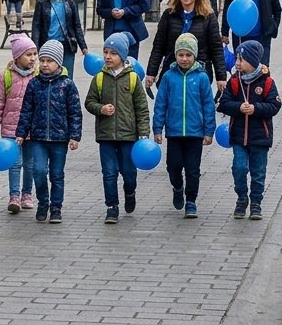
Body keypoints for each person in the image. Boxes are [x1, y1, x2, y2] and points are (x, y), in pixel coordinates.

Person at [84, 32, 151, 224]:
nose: (107, 56)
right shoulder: (99, 78)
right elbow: (89, 102)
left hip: (128, 136)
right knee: (109, 172)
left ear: (122, 56)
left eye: (113, 53)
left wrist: (143, 132)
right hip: (105, 135)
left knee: (129, 172)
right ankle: (112, 207)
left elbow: (142, 108)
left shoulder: (132, 78)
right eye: (105, 52)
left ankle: (130, 191)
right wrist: (100, 109)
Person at [14, 40, 81, 225]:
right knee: (39, 171)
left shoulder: (67, 85)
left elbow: (75, 112)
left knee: (57, 174)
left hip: (60, 139)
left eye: (49, 61)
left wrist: (75, 136)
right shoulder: (34, 84)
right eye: (42, 60)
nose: (44, 64)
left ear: (58, 63)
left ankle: (56, 207)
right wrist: (21, 133)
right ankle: (43, 203)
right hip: (38, 138)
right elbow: (26, 110)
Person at [152, 33, 216, 219]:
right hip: (174, 131)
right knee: (173, 166)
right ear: (175, 55)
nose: (185, 59)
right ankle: (177, 187)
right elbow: (161, 104)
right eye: (181, 55)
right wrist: (158, 128)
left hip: (195, 132)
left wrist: (209, 131)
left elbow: (208, 106)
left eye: (188, 55)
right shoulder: (168, 77)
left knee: (193, 169)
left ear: (194, 55)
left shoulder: (202, 77)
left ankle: (191, 201)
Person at [218, 40, 281, 220]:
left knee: (258, 172)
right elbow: (223, 104)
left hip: (260, 137)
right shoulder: (234, 81)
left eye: (241, 59)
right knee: (238, 168)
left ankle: (256, 203)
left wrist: (256, 109)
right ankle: (241, 198)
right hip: (238, 136)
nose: (237, 62)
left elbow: (275, 105)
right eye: (237, 58)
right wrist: (238, 107)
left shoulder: (267, 82)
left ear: (252, 61)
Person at [144, 0, 227, 92]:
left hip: (199, 73)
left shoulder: (208, 16)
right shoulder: (169, 15)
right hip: (172, 71)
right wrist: (151, 73)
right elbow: (158, 46)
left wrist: (221, 77)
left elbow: (216, 48)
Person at [0, 33, 37, 214]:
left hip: (32, 129)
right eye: (28, 54)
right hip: (11, 129)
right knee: (15, 163)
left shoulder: (38, 76)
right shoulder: (6, 76)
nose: (33, 58)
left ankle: (27, 194)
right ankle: (14, 196)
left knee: (30, 164)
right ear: (17, 56)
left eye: (34, 54)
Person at [31, 0, 88, 79]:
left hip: (67, 45)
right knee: (47, 76)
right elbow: (36, 27)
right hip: (48, 45)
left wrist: (83, 46)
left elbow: (77, 25)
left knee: (67, 76)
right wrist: (34, 47)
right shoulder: (42, 4)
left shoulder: (69, 2)